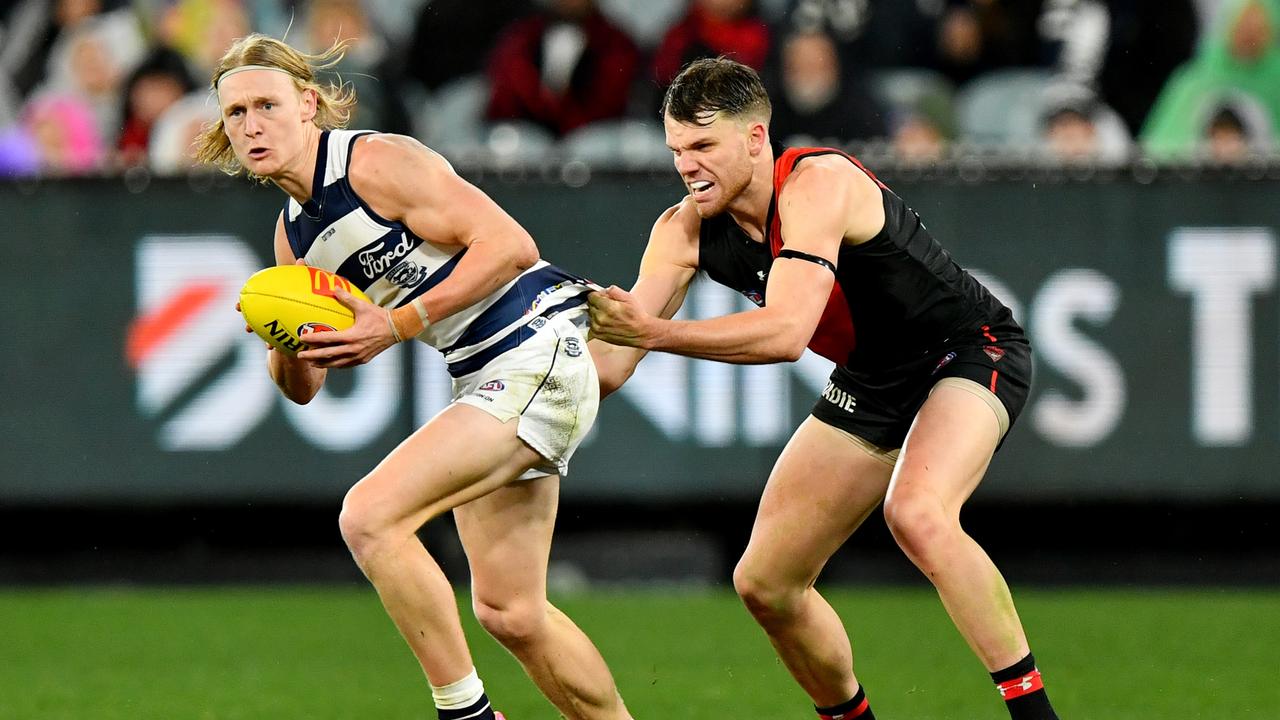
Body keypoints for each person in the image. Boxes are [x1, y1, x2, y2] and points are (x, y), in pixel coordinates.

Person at [588, 57, 1060, 720]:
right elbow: (613, 362)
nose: (686, 166)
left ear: (755, 139)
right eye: (675, 149)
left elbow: (783, 334)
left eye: (702, 146)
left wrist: (652, 335)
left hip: (966, 350)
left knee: (918, 514)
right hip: (872, 379)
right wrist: (526, 383)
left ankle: (1036, 716)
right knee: (765, 583)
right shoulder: (682, 230)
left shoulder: (816, 183)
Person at [193, 33, 632, 720]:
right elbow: (303, 389)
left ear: (308, 104)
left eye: (266, 105)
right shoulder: (293, 240)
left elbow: (512, 245)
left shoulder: (375, 162)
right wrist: (281, 340)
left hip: (535, 346)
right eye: (236, 113)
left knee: (370, 518)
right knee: (512, 613)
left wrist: (395, 325)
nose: (251, 125)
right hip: (488, 371)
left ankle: (466, 713)